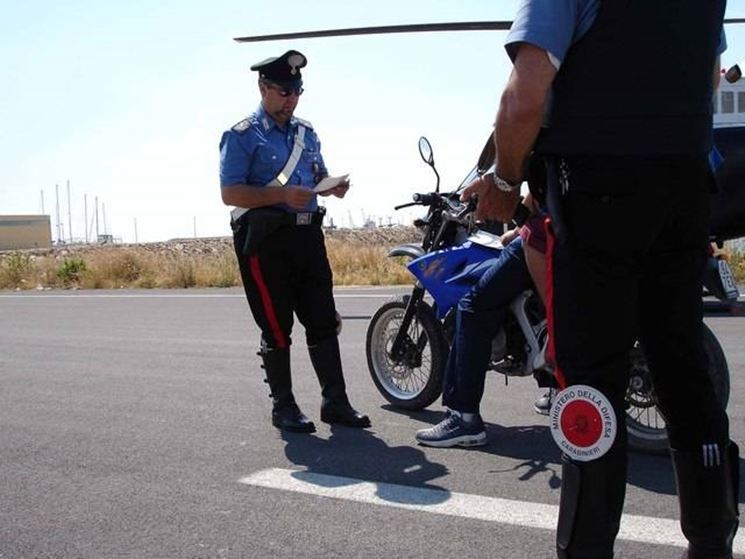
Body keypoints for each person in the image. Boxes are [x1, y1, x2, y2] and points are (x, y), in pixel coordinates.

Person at [461, 2, 738, 558]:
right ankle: (712, 539)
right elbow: (709, 77)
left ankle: (585, 548)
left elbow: (524, 97)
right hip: (684, 196)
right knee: (684, 373)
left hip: (599, 199)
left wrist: (506, 178)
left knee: (590, 384)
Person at [219, 49, 370, 433]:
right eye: (284, 92)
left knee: (321, 319)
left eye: (297, 91)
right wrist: (281, 196)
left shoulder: (306, 133)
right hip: (266, 241)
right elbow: (231, 193)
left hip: (307, 235)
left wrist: (332, 186)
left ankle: (335, 402)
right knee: (276, 324)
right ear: (263, 88)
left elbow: (316, 173)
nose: (291, 99)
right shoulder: (240, 136)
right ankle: (283, 407)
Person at [415, 196, 555, 447]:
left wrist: (495, 199)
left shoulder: (539, 159)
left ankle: (464, 418)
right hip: (576, 229)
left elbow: (531, 192)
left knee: (471, 307)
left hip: (540, 236)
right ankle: (557, 390)